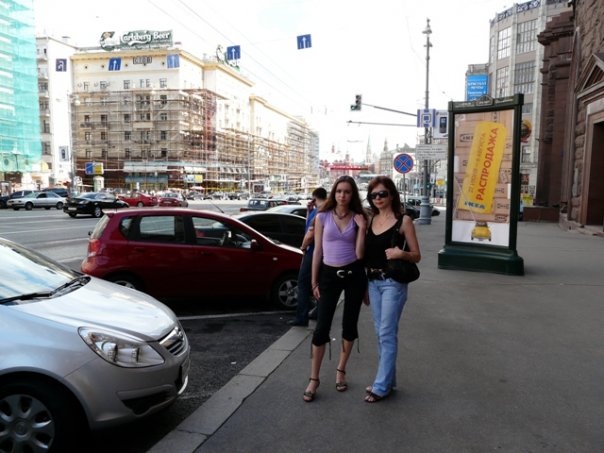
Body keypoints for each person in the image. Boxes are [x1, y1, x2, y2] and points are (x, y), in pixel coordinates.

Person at [303, 176, 368, 402]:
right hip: (329, 275)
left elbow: (360, 255)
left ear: (352, 195)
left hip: (354, 275)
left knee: (349, 326)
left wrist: (362, 228)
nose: (342, 195)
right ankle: (314, 378)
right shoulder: (322, 216)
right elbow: (317, 251)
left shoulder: (359, 217)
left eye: (347, 192)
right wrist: (314, 281)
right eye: (339, 191)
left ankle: (341, 370)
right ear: (334, 193)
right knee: (321, 328)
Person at [363, 176, 421, 402]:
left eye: (382, 194)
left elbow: (416, 255)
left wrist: (401, 253)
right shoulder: (370, 220)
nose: (378, 198)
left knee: (386, 333)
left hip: (393, 283)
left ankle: (381, 386)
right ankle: (387, 381)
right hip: (373, 283)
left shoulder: (403, 221)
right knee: (381, 333)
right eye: (373, 195)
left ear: (392, 195)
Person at [288, 187, 328, 327]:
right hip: (325, 254)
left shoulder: (319, 212)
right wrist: (308, 211)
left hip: (312, 252)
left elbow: (309, 234)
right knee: (320, 284)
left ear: (314, 198)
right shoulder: (325, 211)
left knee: (303, 284)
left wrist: (303, 247)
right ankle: (318, 312)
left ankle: (301, 317)